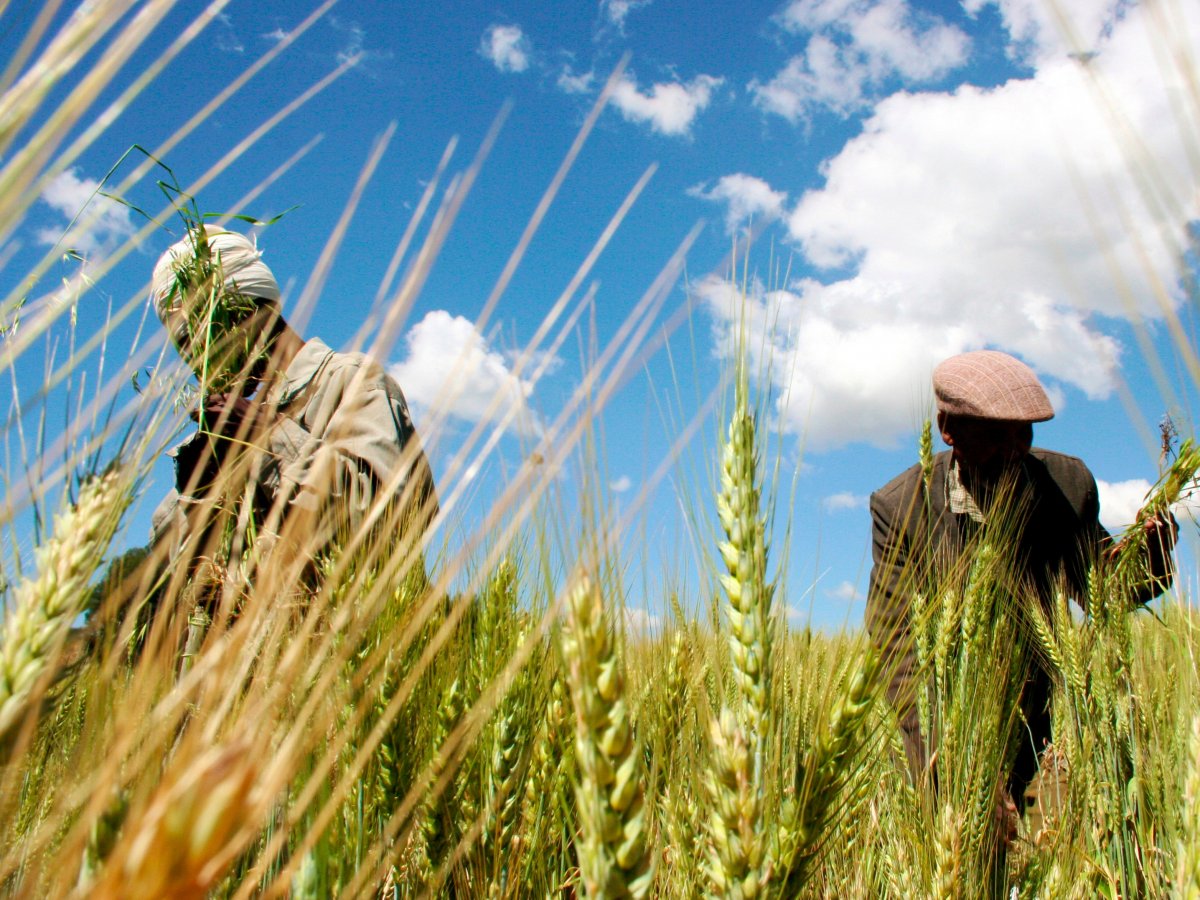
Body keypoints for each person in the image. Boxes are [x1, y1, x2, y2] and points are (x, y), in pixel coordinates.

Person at [866, 350, 1176, 831]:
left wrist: (1150, 559)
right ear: (948, 429)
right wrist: (954, 769)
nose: (1014, 450)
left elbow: (1104, 591)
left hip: (1042, 724)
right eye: (994, 434)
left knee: (1044, 851)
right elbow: (897, 643)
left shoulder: (1066, 486)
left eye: (1024, 433)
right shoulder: (901, 508)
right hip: (944, 731)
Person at [147, 224, 437, 591]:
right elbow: (167, 584)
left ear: (244, 312)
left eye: (194, 340)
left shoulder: (349, 381)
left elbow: (389, 523)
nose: (195, 362)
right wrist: (199, 483)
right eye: (182, 348)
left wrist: (267, 439)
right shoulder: (230, 429)